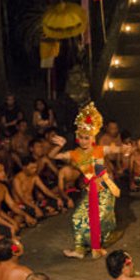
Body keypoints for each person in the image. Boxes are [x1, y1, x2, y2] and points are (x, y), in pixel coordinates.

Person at [49, 102, 120, 259]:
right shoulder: (75, 154)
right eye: (80, 137)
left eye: (86, 138)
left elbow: (116, 149)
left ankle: (95, 247)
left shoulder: (100, 150)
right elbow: (52, 156)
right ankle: (80, 250)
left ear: (93, 137)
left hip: (104, 190)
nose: (83, 141)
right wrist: (59, 146)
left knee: (100, 220)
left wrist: (127, 149)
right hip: (90, 191)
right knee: (78, 217)